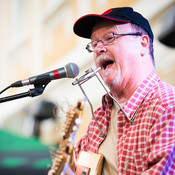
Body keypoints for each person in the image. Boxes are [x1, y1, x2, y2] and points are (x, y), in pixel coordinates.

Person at [49, 7, 175, 175]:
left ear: (143, 44)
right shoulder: (98, 120)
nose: (99, 49)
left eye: (109, 38)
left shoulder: (168, 105)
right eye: (94, 44)